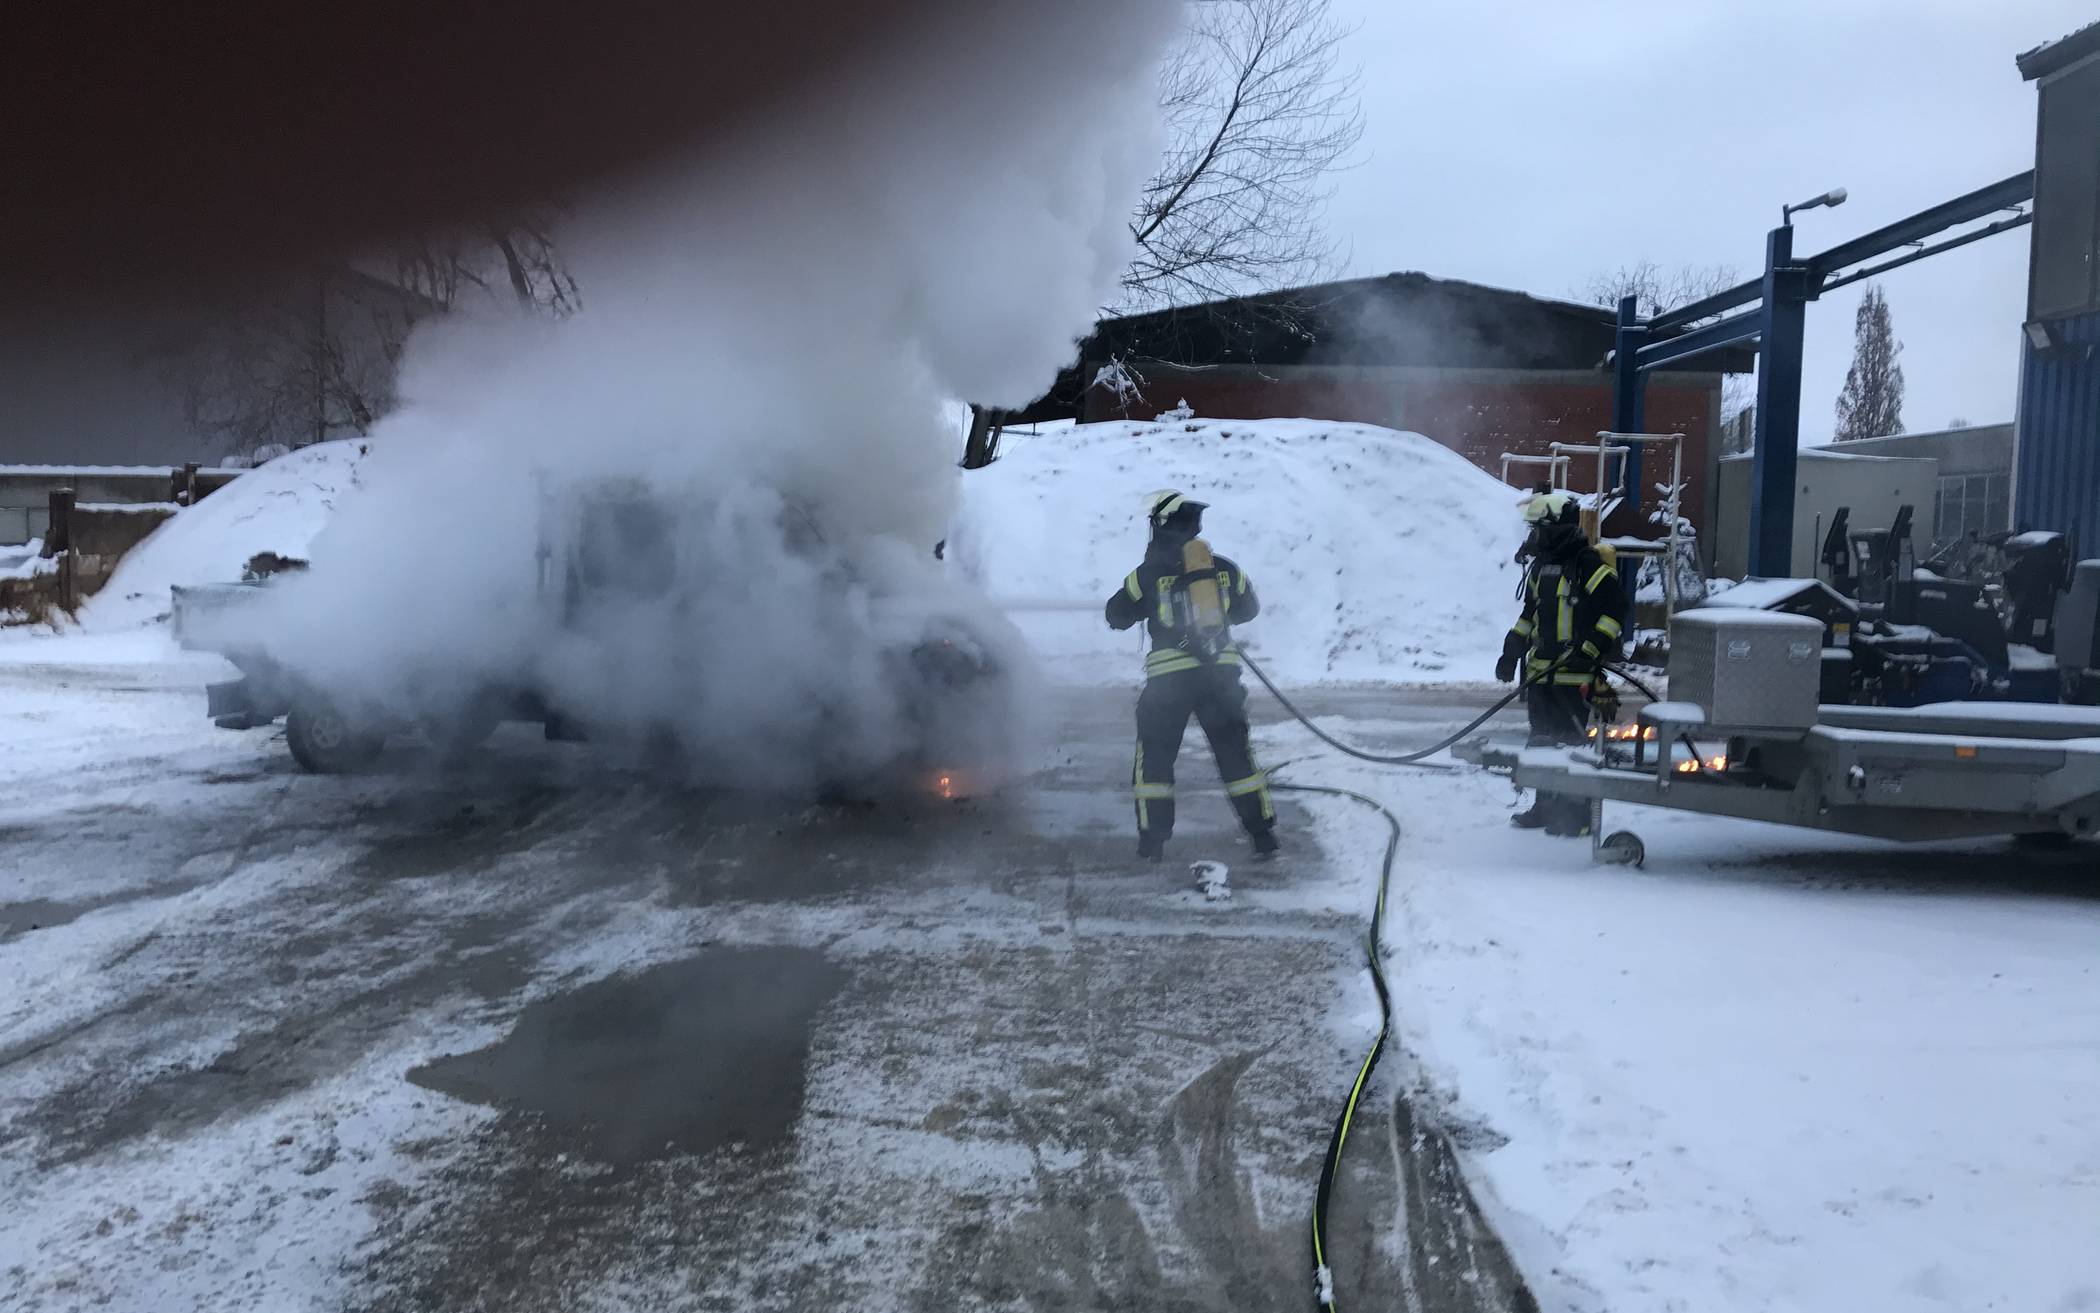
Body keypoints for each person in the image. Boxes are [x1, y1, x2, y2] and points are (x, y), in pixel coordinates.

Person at [1106, 490, 1278, 863]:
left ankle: (1152, 843)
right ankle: (1262, 835)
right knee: (1237, 758)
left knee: (1154, 760)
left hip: (1168, 685)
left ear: (1162, 526)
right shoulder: (1225, 568)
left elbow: (1116, 615)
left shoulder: (1147, 575)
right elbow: (1249, 609)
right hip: (1220, 678)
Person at [1496, 490, 1624, 837]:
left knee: (1572, 746)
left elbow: (1614, 614)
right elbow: (1530, 614)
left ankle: (1576, 816)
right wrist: (1512, 650)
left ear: (1556, 530)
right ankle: (1545, 807)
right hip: (1541, 674)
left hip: (1575, 674)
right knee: (1542, 741)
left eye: (1539, 530)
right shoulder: (1542, 568)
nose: (1534, 537)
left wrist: (1590, 650)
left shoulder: (1589, 566)